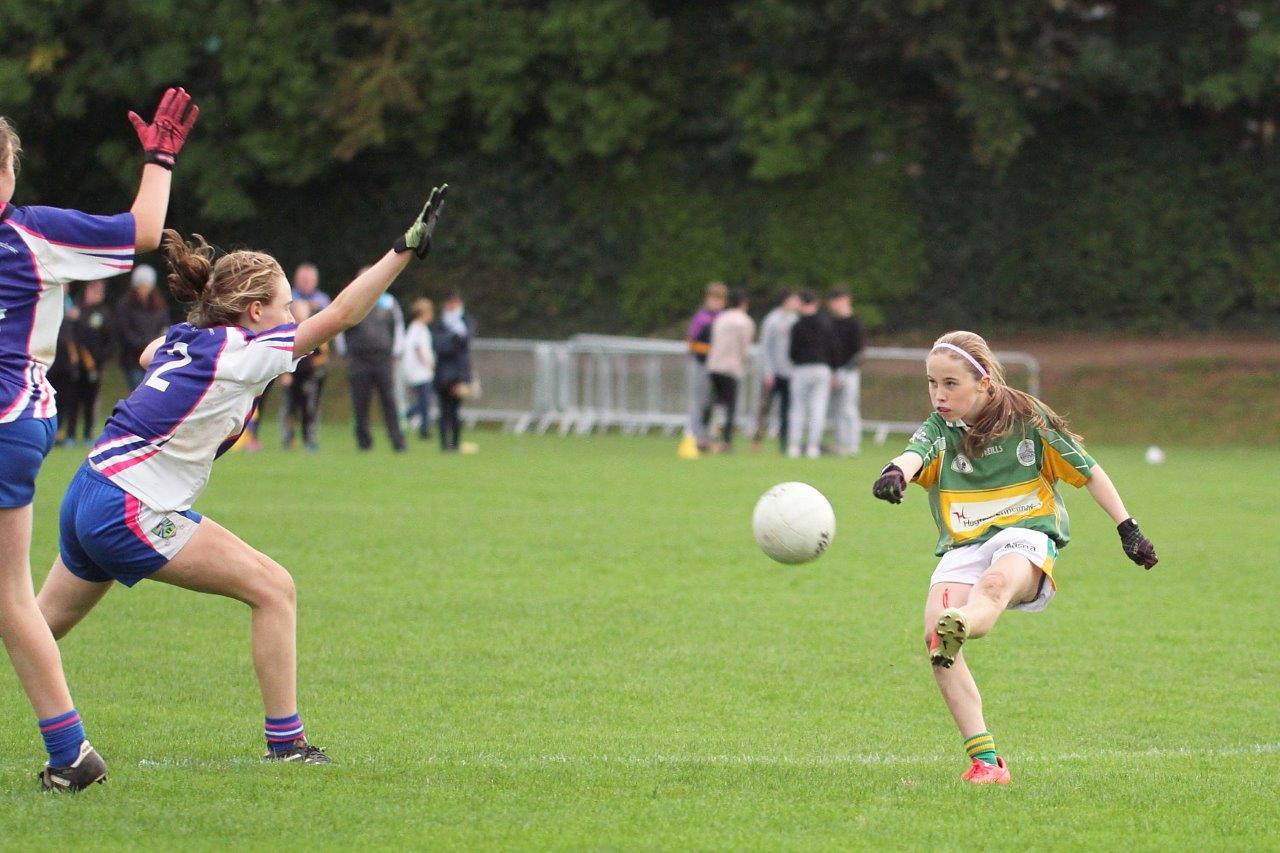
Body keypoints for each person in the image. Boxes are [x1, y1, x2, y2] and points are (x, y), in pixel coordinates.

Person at [34, 187, 447, 777]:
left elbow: (154, 353)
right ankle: (288, 744)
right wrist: (402, 254)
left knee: (34, 629)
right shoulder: (246, 351)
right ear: (254, 313)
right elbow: (342, 315)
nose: (292, 319)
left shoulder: (191, 339)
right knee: (274, 589)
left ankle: (67, 751)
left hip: (87, 490)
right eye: (284, 306)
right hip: (128, 504)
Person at [0, 87, 198, 792]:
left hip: (6, 421)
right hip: (22, 423)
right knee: (11, 598)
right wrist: (160, 159)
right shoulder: (31, 233)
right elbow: (145, 226)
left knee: (11, 597)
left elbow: (143, 235)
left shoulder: (28, 235)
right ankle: (70, 752)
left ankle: (71, 749)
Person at [871, 330, 1158, 785]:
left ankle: (964, 620)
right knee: (936, 643)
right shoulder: (939, 428)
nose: (939, 395)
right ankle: (987, 763)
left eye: (950, 383)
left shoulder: (1028, 419)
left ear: (983, 382)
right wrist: (894, 473)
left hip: (1025, 535)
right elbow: (912, 454)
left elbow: (1090, 471)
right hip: (963, 545)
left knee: (994, 587)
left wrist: (1128, 527)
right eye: (931, 383)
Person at [336, 285, 406, 452]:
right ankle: (363, 441)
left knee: (389, 400)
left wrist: (395, 353)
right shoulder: (352, 301)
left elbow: (398, 327)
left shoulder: (389, 302)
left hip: (383, 359)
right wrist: (345, 354)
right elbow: (339, 324)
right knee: (360, 401)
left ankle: (397, 439)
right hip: (359, 360)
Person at [61, 280, 114, 445]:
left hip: (94, 365)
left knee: (90, 401)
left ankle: (88, 435)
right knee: (73, 400)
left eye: (100, 291)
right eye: (94, 290)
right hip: (76, 363)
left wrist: (102, 359)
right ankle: (70, 435)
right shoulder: (75, 310)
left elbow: (109, 339)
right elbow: (69, 335)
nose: (97, 293)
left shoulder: (104, 313)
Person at [786, 290, 837, 458]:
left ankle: (794, 446)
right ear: (815, 303)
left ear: (801, 304)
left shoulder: (797, 325)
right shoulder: (825, 323)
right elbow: (833, 349)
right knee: (818, 409)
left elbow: (792, 352)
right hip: (822, 368)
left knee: (798, 408)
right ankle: (812, 447)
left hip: (801, 368)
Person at [705, 288, 755, 452]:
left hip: (714, 364)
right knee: (730, 406)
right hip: (731, 367)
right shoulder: (745, 321)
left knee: (714, 401)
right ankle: (726, 441)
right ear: (744, 303)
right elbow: (744, 348)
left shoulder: (720, 318)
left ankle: (707, 435)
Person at [751, 289, 799, 453]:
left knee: (786, 411)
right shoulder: (772, 319)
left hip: (790, 373)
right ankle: (756, 441)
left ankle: (783, 444)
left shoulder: (795, 320)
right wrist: (768, 371)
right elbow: (765, 347)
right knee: (765, 409)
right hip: (773, 373)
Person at [279, 299, 327, 452]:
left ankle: (309, 440)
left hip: (309, 377)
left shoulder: (315, 332)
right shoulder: (287, 332)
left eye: (303, 311)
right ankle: (288, 440)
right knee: (289, 409)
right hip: (292, 377)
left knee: (309, 409)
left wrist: (315, 369)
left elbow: (323, 355)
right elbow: (280, 355)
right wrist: (284, 374)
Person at [430, 291, 475, 453]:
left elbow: (466, 344)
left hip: (459, 374)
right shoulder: (439, 323)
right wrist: (454, 338)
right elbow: (439, 345)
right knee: (443, 411)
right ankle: (444, 445)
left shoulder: (466, 320)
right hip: (442, 374)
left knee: (455, 410)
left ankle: (455, 444)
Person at [684, 282, 726, 450]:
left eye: (719, 300)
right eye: (713, 299)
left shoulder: (724, 318)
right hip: (701, 364)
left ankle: (708, 436)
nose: (716, 303)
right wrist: (710, 350)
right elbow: (691, 343)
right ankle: (693, 434)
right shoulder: (701, 318)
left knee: (713, 401)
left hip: (718, 366)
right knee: (698, 400)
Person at [114, 264, 169, 390]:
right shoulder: (125, 305)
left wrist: (157, 344)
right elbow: (124, 331)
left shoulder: (159, 306)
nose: (144, 289)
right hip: (133, 360)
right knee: (138, 390)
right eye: (141, 285)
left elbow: (165, 326)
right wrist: (142, 345)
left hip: (155, 359)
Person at [826, 286, 865, 456]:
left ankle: (853, 445)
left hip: (849, 372)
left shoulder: (854, 323)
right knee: (836, 410)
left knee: (849, 409)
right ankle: (839, 444)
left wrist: (844, 371)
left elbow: (859, 352)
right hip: (833, 372)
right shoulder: (831, 323)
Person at [401, 298, 435, 441]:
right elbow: (418, 348)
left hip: (418, 371)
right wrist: (429, 363)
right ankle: (420, 427)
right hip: (420, 371)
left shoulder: (416, 328)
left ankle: (420, 426)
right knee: (425, 401)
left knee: (424, 400)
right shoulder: (418, 328)